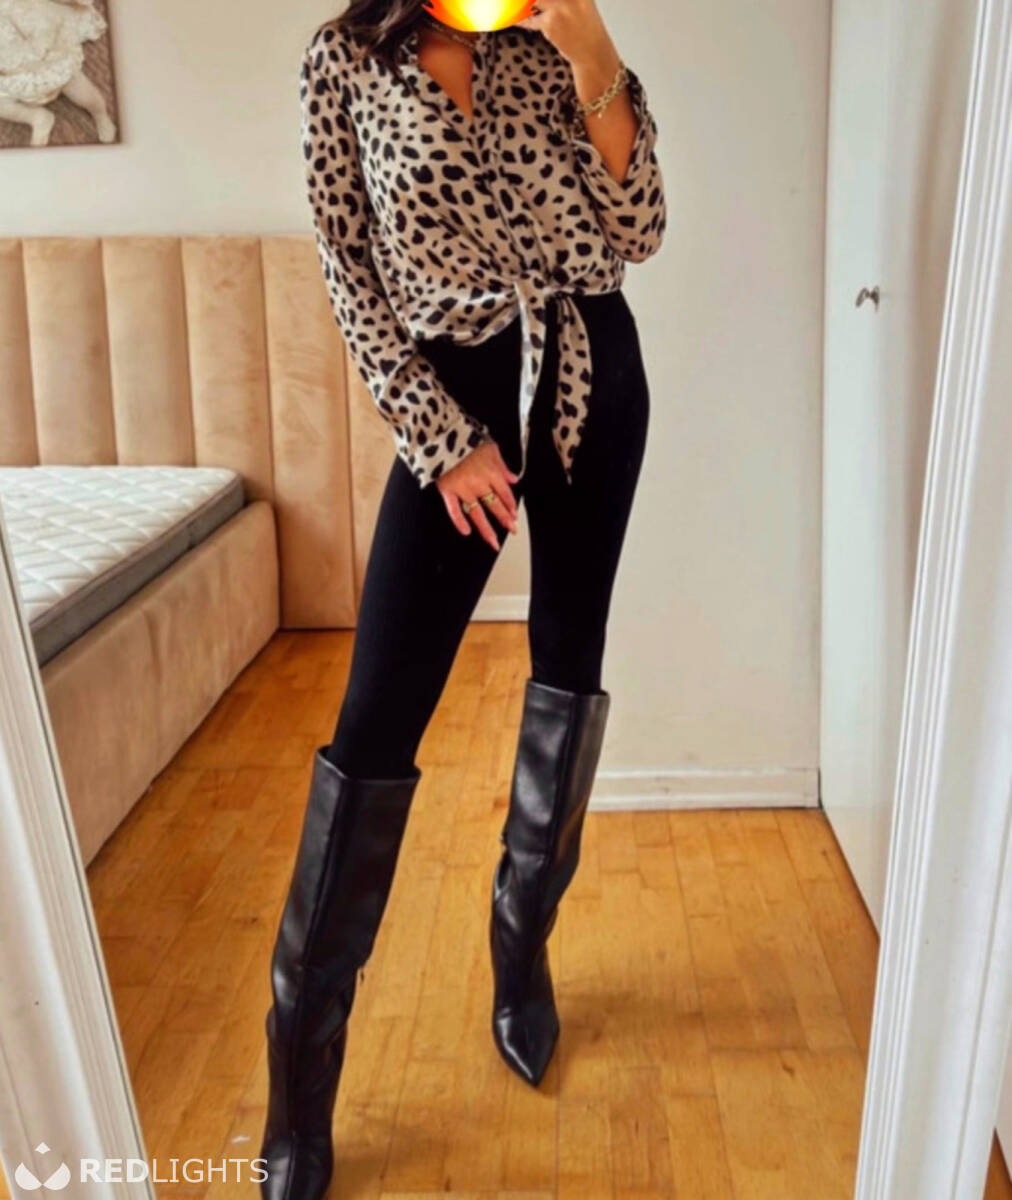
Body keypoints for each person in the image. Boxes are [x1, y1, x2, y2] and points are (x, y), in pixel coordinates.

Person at [260, 0, 665, 1194]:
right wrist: (442, 442)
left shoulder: (556, 41)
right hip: (453, 400)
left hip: (591, 374)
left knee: (568, 665)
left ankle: (520, 950)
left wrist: (593, 54)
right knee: (374, 723)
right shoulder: (345, 58)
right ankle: (299, 1079)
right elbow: (348, 271)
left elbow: (640, 229)